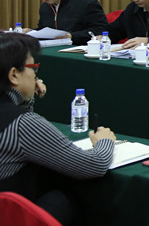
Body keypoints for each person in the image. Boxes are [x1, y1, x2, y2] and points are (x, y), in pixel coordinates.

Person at [0, 33, 115, 225]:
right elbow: (93, 166)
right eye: (33, 68)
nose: (35, 75)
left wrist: (26, 97)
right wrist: (105, 141)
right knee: (66, 198)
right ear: (13, 75)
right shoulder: (22, 124)